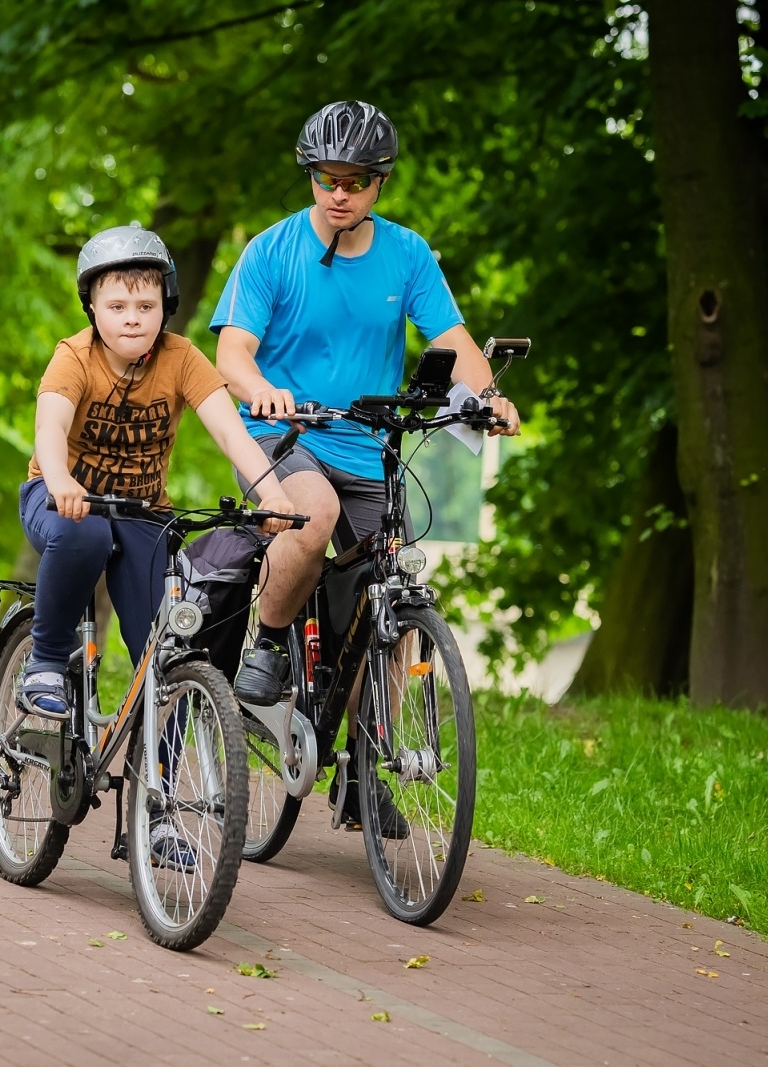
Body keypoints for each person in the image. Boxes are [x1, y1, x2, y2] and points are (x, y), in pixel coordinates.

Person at [209, 100, 521, 830]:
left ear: (380, 182)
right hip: (286, 441)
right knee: (312, 519)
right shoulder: (272, 251)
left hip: (368, 446)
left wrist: (489, 398)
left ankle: (363, 762)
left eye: (355, 179)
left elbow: (453, 338)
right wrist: (263, 393)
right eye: (326, 176)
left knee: (389, 596)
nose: (339, 191)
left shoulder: (407, 255)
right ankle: (263, 647)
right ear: (311, 175)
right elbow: (231, 355)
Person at [19, 224, 296, 731]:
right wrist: (60, 480)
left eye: (145, 307)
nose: (131, 319)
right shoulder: (74, 357)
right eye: (117, 307)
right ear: (93, 309)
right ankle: (47, 662)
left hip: (143, 512)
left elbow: (233, 434)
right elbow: (50, 427)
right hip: (61, 501)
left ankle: (163, 797)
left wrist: (272, 493)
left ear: (164, 306)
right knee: (85, 534)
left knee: (171, 653)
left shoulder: (181, 357)